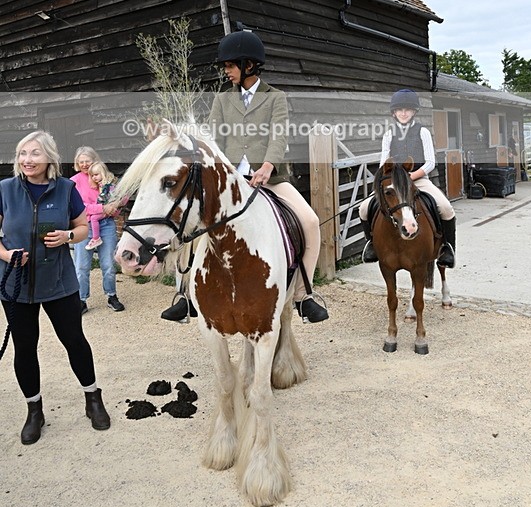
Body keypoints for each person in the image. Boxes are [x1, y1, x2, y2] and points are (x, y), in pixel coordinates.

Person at [161, 29, 329, 324]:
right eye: (225, 67)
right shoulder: (222, 99)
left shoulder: (276, 98)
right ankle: (186, 296)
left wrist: (267, 166)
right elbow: (214, 139)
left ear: (249, 65)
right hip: (230, 182)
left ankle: (304, 296)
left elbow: (278, 136)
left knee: (311, 222)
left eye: (230, 65)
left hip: (269, 178)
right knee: (192, 223)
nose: (226, 71)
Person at [0, 131, 111, 445]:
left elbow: (80, 227)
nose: (27, 160)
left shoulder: (66, 189)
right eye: (22, 153)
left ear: (49, 157)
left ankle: (93, 399)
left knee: (74, 340)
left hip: (60, 282)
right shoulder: (4, 190)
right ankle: (34, 410)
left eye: (34, 153)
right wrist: (7, 255)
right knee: (24, 348)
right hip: (16, 285)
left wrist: (67, 237)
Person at [358, 89, 456, 267]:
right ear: (394, 113)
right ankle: (371, 244)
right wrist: (390, 180)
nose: (403, 113)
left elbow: (430, 162)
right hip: (395, 182)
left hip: (418, 179)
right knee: (364, 208)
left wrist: (410, 177)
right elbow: (383, 163)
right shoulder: (388, 134)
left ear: (414, 112)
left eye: (408, 110)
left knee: (446, 208)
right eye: (400, 110)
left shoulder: (423, 132)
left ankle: (447, 249)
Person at [71, 147, 125, 314]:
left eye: (88, 160)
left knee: (108, 264)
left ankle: (111, 295)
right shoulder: (73, 181)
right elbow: (78, 207)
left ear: (95, 160)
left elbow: (119, 199)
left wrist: (114, 208)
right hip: (83, 226)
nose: (85, 164)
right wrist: (102, 208)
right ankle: (81, 299)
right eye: (81, 161)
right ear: (77, 163)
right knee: (81, 266)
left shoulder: (105, 178)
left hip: (107, 225)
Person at [85, 161, 118, 252]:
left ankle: (96, 238)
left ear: (103, 173)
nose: (94, 177)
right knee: (94, 218)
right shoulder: (103, 184)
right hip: (106, 208)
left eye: (96, 174)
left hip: (108, 208)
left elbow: (105, 197)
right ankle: (96, 238)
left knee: (94, 218)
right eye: (92, 176)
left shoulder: (107, 185)